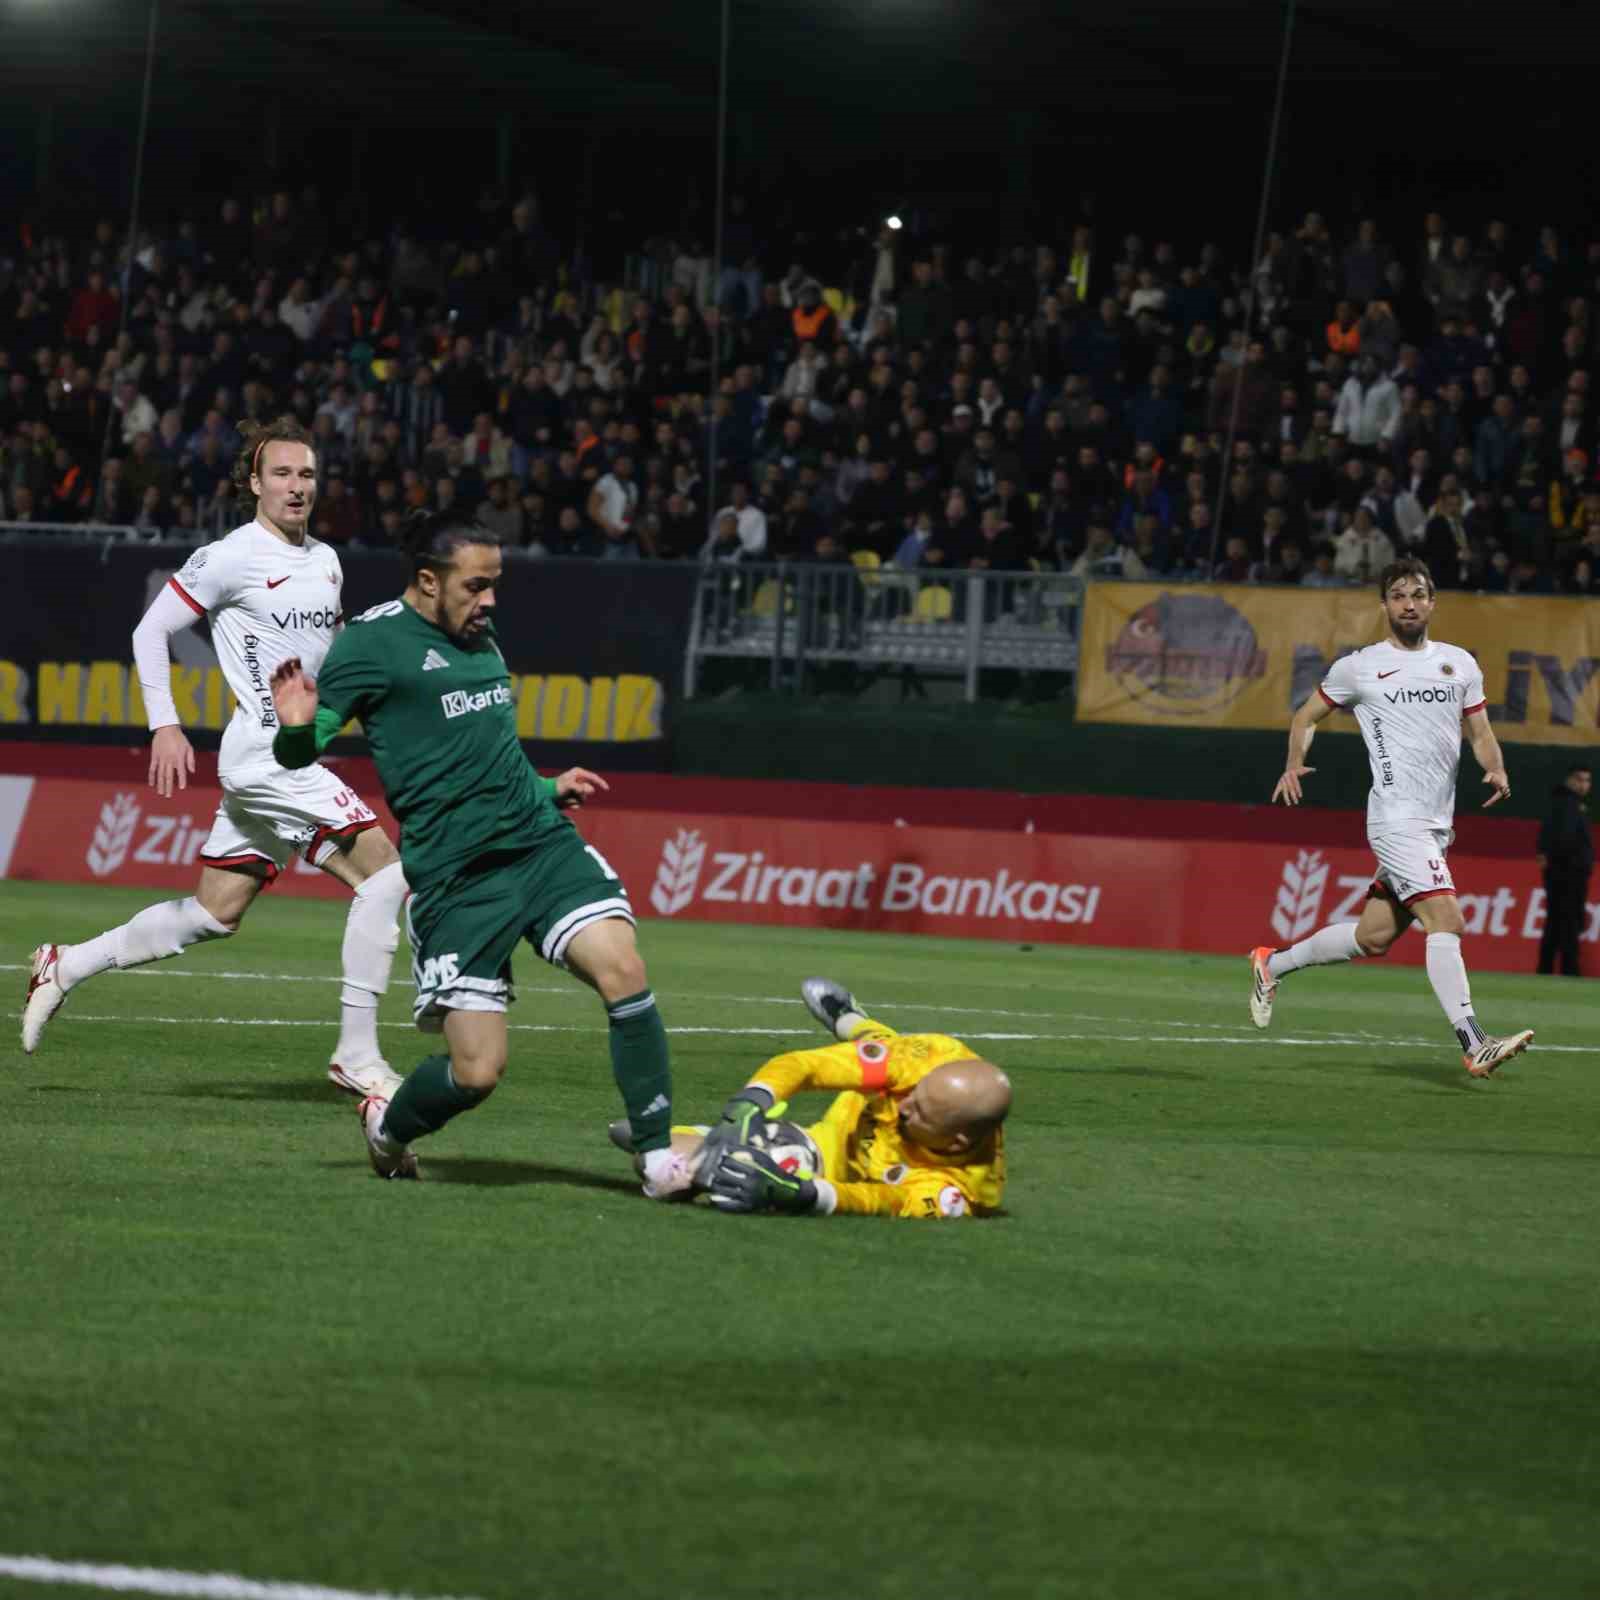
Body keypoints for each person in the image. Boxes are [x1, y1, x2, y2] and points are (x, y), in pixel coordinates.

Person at [266, 511, 681, 1194]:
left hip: (537, 846)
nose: (489, 601)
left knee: (623, 969)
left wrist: (550, 788)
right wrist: (294, 728)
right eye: (477, 585)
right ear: (428, 581)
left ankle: (658, 1152)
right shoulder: (370, 647)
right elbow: (303, 753)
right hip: (458, 879)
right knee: (477, 1071)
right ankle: (389, 1129)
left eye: (495, 585)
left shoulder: (480, 634)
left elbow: (489, 750)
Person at [22, 418, 409, 1099]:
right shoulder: (231, 555)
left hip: (288, 756)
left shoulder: (325, 560)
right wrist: (165, 725)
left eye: (307, 475)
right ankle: (361, 1053)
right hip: (265, 756)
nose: (296, 487)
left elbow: (333, 649)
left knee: (215, 912)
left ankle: (65, 963)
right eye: (282, 474)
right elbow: (151, 630)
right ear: (255, 483)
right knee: (386, 872)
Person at [1248, 557, 1534, 1078]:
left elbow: (1482, 733)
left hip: (1434, 824)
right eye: (1399, 595)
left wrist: (1496, 769)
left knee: (1373, 938)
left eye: (1418, 594)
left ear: (1432, 603)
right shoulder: (1359, 667)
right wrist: (1293, 763)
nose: (1409, 603)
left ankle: (1273, 962)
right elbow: (1305, 715)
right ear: (1384, 605)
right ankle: (1474, 1043)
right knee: (1446, 921)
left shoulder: (1460, 664)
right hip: (1395, 820)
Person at [610, 978, 1009, 1220]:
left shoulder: (957, 1191)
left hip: (827, 1166)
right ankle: (851, 1021)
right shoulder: (926, 1063)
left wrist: (803, 1194)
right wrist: (752, 1100)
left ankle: (724, 1143)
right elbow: (806, 1066)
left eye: (918, 1113)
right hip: (832, 1134)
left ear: (957, 1142)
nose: (904, 1106)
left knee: (659, 1164)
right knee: (878, 1050)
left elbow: (879, 1199)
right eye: (913, 1096)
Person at [1536, 764, 1593, 976]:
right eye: (1580, 779)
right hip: (1568, 874)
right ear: (1569, 780)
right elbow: (1566, 840)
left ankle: (1545, 967)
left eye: (1587, 781)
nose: (1584, 785)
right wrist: (1576, 865)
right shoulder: (1569, 805)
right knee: (1568, 922)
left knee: (1555, 922)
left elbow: (1546, 837)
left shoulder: (1562, 803)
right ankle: (1569, 969)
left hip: (1560, 873)